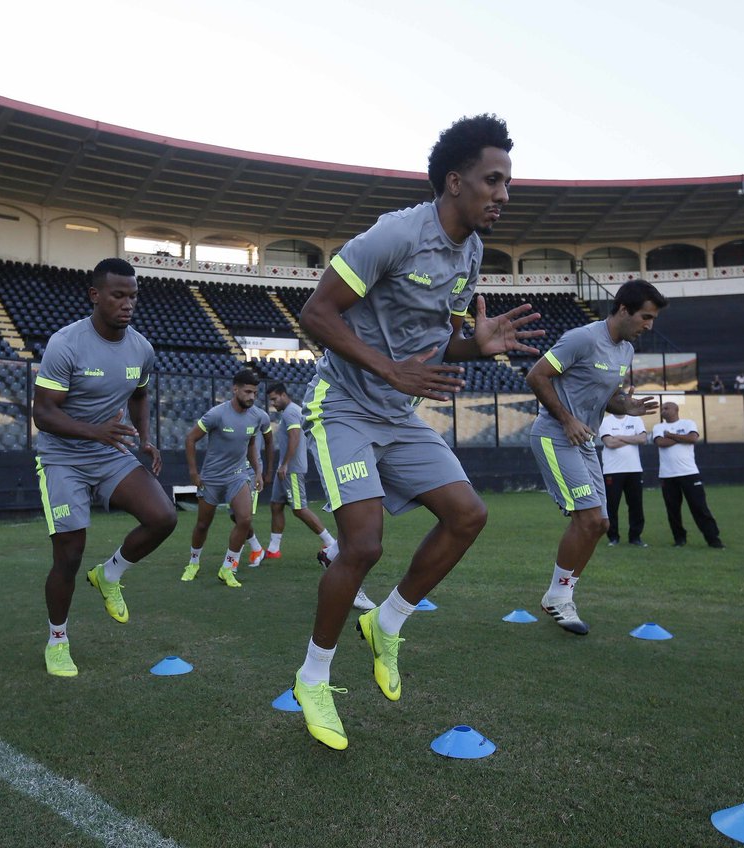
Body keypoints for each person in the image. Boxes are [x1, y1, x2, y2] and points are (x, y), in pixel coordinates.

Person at [291, 114, 543, 751]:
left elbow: (443, 342)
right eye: (493, 180)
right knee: (363, 544)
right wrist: (389, 370)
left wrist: (476, 346)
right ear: (455, 182)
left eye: (508, 183)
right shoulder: (396, 234)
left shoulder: (471, 252)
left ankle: (387, 622)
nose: (504, 195)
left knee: (468, 515)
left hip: (398, 413)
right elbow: (315, 313)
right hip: (343, 406)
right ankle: (313, 678)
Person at [31, 258, 176, 677]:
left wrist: (144, 437)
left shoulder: (142, 348)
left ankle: (110, 574)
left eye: (133, 296)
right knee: (69, 553)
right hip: (63, 457)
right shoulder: (66, 343)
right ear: (95, 295)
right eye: (118, 295)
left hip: (110, 450)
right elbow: (43, 413)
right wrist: (95, 432)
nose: (127, 304)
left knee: (163, 517)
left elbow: (140, 394)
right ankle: (58, 640)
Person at [527, 280, 665, 635]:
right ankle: (559, 598)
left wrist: (626, 405)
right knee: (588, 518)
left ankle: (560, 595)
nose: (649, 326)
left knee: (601, 524)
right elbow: (536, 375)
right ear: (623, 310)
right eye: (646, 317)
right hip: (555, 435)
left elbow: (608, 397)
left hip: (584, 441)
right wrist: (567, 419)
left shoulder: (626, 351)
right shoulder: (582, 338)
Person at [264, 383, 374, 611]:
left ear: (284, 395)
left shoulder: (292, 412)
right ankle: (274, 549)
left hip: (292, 469)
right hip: (285, 469)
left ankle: (330, 544)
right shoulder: (289, 412)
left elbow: (295, 436)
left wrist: (285, 464)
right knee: (275, 505)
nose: (273, 404)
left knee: (299, 509)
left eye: (275, 399)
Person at [182, 370, 273, 588]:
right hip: (211, 478)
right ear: (235, 389)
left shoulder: (258, 416)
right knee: (203, 524)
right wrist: (194, 473)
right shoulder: (216, 414)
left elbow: (252, 444)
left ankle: (227, 567)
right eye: (247, 392)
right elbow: (190, 439)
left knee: (245, 520)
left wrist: (258, 472)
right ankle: (193, 563)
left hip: (238, 476)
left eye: (255, 393)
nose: (251, 397)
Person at [653, 401, 724, 549]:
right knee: (673, 510)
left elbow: (693, 439)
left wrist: (671, 435)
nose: (663, 411)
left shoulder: (688, 423)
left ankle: (713, 539)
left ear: (676, 409)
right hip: (667, 475)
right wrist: (681, 438)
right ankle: (679, 539)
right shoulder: (658, 427)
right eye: (662, 409)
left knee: (699, 507)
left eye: (667, 408)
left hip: (689, 473)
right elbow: (661, 442)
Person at [598, 407, 648, 548]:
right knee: (612, 506)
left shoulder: (636, 419)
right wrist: (632, 438)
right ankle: (613, 537)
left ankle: (635, 537)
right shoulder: (606, 421)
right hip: (612, 471)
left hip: (634, 470)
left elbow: (643, 439)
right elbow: (610, 443)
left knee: (636, 505)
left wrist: (619, 437)